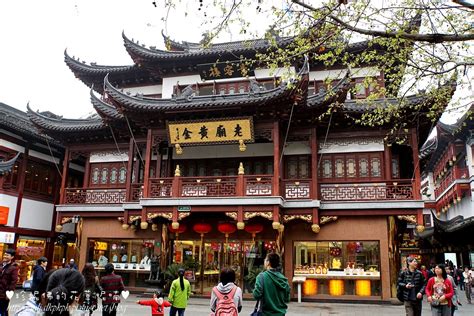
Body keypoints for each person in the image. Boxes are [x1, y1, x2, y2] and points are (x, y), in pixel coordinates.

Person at [0, 249, 19, 316]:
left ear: (12, 257)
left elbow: (14, 281)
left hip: (4, 294)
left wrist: (10, 293)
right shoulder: (1, 264)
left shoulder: (14, 267)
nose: (5, 256)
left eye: (7, 255)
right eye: (4, 254)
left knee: (3, 311)